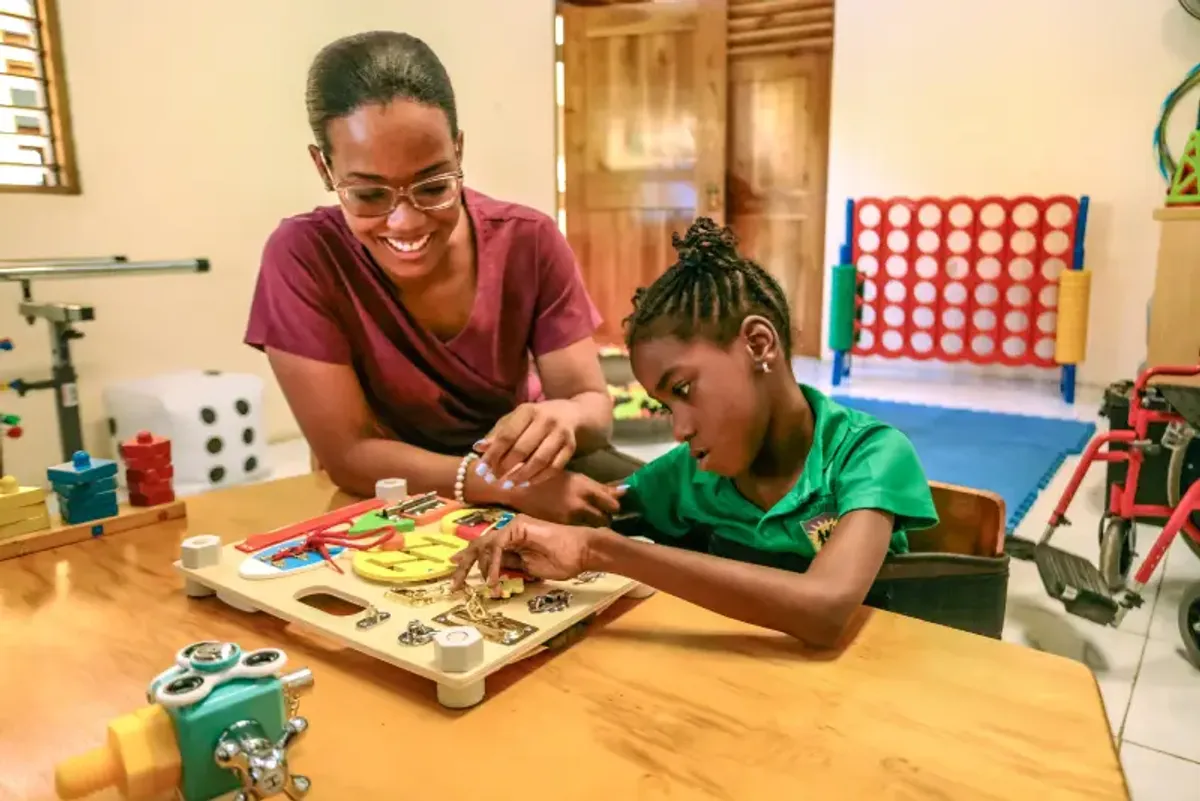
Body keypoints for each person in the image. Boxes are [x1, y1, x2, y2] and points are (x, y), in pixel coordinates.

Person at [451, 217, 939, 646]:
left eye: (684, 388)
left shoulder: (868, 454)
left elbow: (824, 609)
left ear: (758, 343)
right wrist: (524, 535)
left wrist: (598, 551)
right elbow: (594, 513)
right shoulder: (688, 474)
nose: (680, 429)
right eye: (665, 407)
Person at [244, 31, 638, 525]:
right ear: (324, 167)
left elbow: (592, 407)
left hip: (527, 470)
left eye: (433, 187)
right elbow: (349, 456)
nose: (405, 222)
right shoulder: (303, 257)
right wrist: (498, 487)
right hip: (390, 495)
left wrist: (566, 419)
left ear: (459, 150)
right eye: (369, 196)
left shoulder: (528, 241)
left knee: (687, 522)